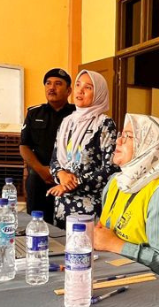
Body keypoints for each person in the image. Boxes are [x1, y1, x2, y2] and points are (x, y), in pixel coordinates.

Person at [93, 114, 159, 293]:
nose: (118, 140)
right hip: (123, 276)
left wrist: (114, 244)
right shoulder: (116, 183)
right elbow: (103, 233)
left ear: (149, 145)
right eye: (121, 134)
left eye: (127, 136)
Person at [48, 70, 118, 223]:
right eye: (78, 85)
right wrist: (61, 175)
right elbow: (54, 160)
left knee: (85, 246)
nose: (80, 90)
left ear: (99, 93)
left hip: (90, 206)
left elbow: (111, 169)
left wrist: (73, 183)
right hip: (62, 205)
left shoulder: (105, 124)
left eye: (88, 87)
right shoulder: (67, 122)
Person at [20, 68, 75, 224]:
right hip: (38, 176)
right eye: (48, 83)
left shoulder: (76, 115)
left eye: (58, 84)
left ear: (68, 90)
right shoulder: (34, 113)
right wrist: (42, 170)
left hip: (67, 179)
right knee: (36, 220)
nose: (52, 87)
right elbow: (24, 146)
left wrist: (60, 173)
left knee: (64, 222)